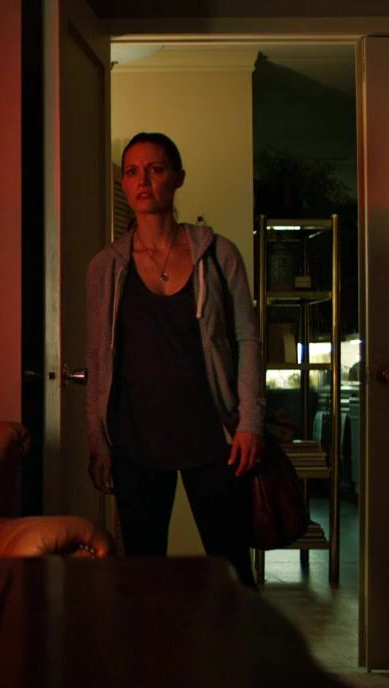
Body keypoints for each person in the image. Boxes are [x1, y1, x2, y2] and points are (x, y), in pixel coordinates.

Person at [85, 131, 264, 589]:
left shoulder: (218, 254)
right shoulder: (106, 266)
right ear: (124, 184)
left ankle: (240, 639)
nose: (143, 180)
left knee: (232, 567)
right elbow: (98, 356)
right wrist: (98, 440)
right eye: (132, 172)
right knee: (141, 574)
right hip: (135, 438)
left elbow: (247, 337)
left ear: (178, 177)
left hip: (214, 434)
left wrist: (249, 422)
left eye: (155, 169)